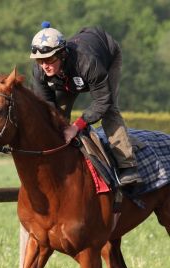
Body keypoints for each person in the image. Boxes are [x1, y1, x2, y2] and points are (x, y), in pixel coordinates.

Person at [30, 21, 143, 186]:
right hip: (68, 76)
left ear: (62, 54)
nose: (44, 65)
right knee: (57, 113)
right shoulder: (40, 70)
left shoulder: (87, 63)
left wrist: (76, 126)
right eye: (40, 60)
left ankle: (128, 165)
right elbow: (47, 105)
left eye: (49, 58)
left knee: (110, 111)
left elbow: (103, 101)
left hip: (106, 56)